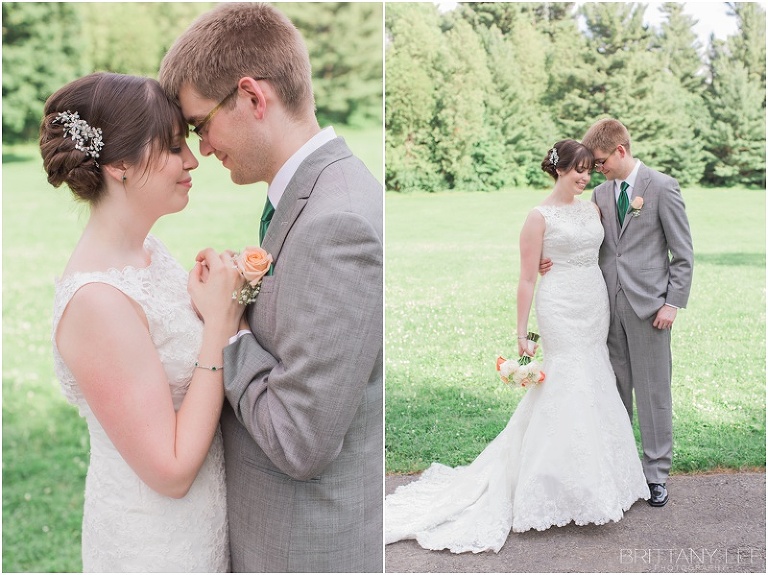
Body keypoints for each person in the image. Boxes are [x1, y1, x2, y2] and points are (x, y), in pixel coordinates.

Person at [158, 3, 383, 572]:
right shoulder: (307, 195)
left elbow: (301, 440)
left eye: (200, 124)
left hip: (303, 550)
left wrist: (228, 329)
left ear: (254, 97)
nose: (202, 149)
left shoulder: (340, 223)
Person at [385, 140, 649, 554]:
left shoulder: (593, 207)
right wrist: (522, 334)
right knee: (566, 380)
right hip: (559, 304)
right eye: (577, 170)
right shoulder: (537, 217)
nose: (584, 176)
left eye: (588, 170)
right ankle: (549, 485)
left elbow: (604, 252)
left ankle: (604, 479)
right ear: (558, 169)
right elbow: (527, 278)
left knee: (594, 376)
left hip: (592, 302)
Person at [44, 72, 245, 571]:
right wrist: (219, 326)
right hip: (152, 547)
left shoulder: (146, 252)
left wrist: (206, 299)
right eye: (175, 146)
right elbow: (171, 471)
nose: (192, 160)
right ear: (119, 166)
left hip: (199, 530)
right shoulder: (97, 301)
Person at [579, 118, 694, 506]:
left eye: (600, 161)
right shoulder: (599, 195)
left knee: (653, 391)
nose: (598, 168)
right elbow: (592, 245)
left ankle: (656, 473)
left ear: (620, 151)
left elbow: (683, 254)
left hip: (651, 309)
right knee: (614, 391)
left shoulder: (661, 187)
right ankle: (622, 468)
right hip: (607, 307)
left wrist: (672, 303)